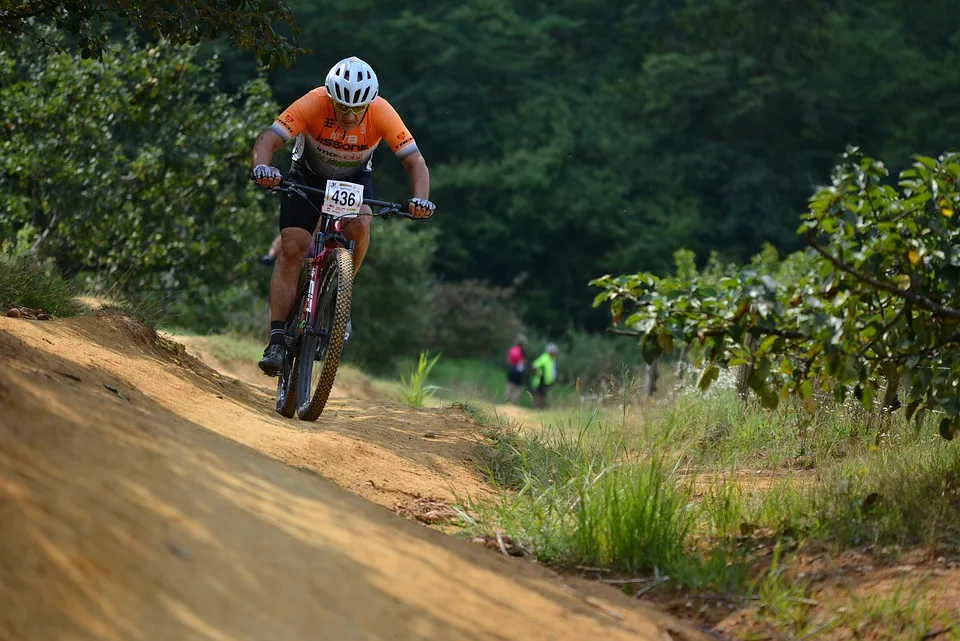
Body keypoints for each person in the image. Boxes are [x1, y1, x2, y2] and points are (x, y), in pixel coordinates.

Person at [250, 56, 436, 376]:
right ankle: (278, 339)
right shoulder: (313, 102)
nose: (349, 116)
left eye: (357, 109)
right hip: (306, 176)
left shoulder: (382, 111)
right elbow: (269, 138)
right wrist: (263, 167)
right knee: (293, 248)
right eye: (342, 107)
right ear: (330, 97)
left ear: (370, 103)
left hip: (352, 181)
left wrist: (421, 199)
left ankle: (341, 294)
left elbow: (415, 161)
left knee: (362, 223)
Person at [530, 342, 560, 409]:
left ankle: (540, 407)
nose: (555, 353)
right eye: (554, 351)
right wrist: (536, 373)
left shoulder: (552, 358)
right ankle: (537, 408)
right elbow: (535, 365)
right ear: (551, 351)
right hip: (542, 379)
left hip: (547, 381)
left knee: (543, 395)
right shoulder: (545, 357)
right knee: (540, 394)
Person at [504, 334, 528, 403]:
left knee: (509, 385)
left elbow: (508, 360)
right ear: (523, 344)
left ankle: (506, 401)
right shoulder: (523, 352)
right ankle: (514, 402)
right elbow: (524, 362)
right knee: (518, 387)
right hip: (519, 371)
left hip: (511, 369)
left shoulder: (512, 349)